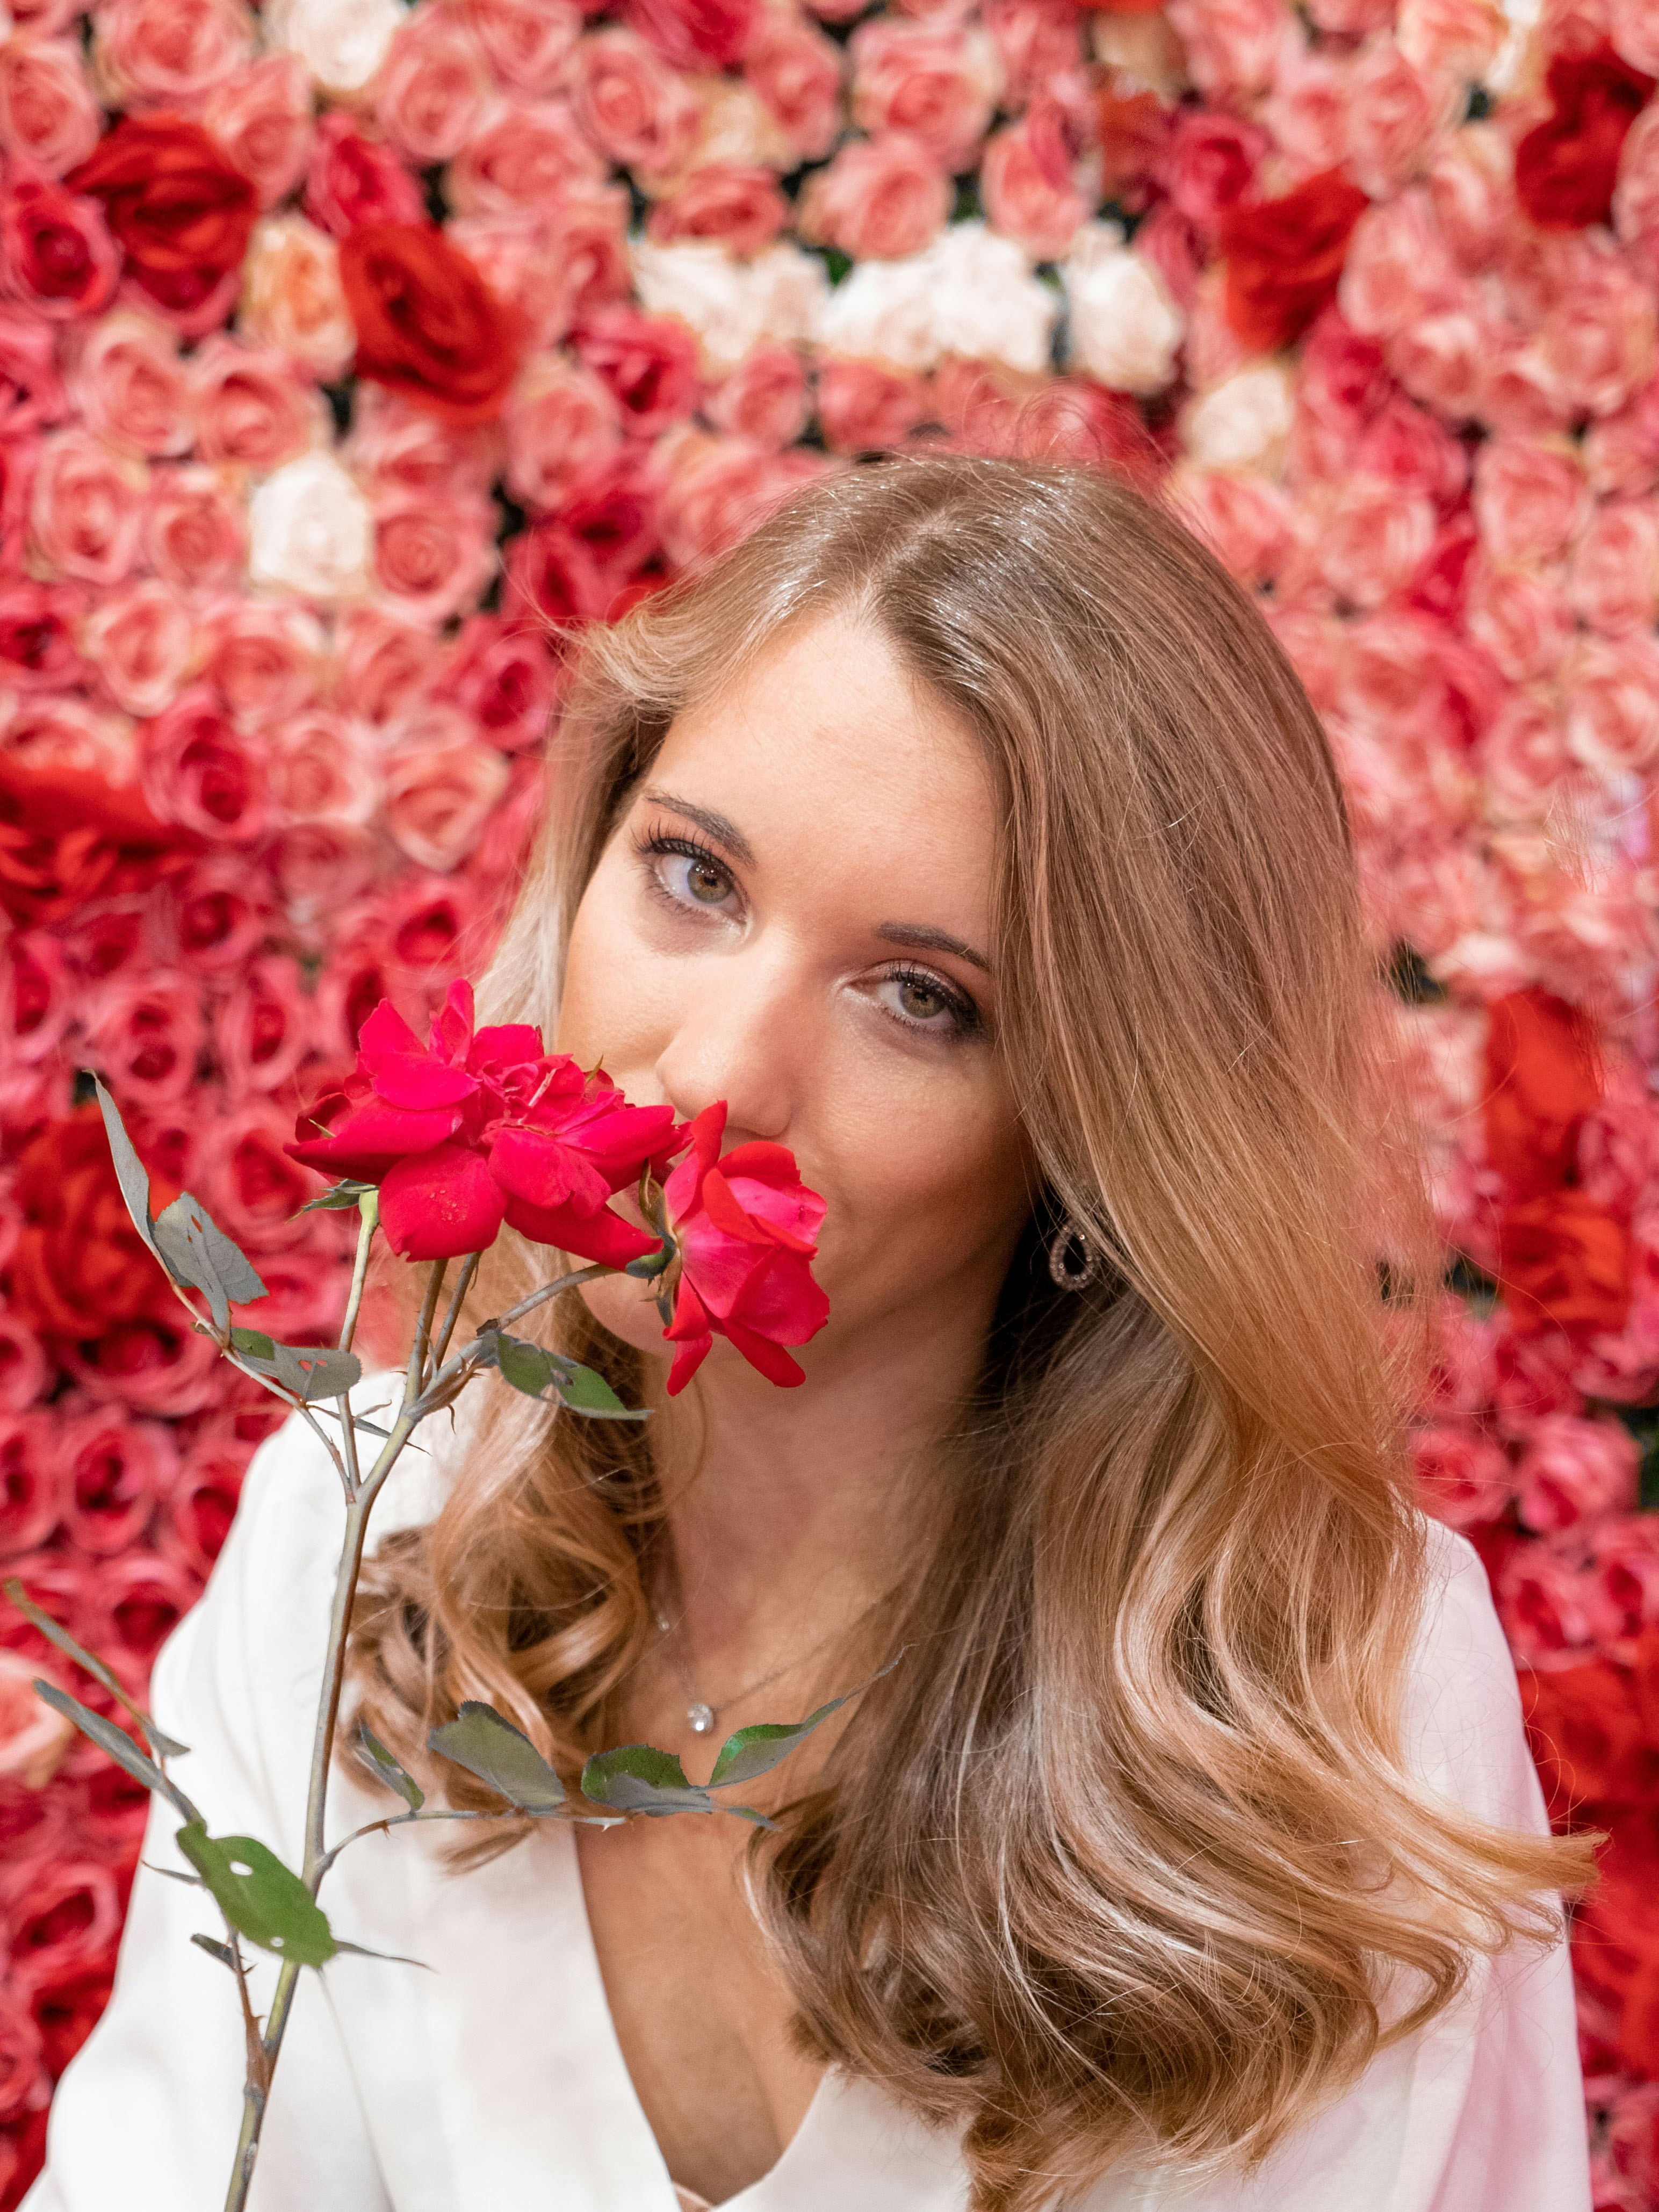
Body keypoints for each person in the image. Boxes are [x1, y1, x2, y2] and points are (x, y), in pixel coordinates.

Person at [30, 459, 1595, 2212]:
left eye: (923, 999)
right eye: (694, 877)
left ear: (1101, 1134)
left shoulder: (1331, 1703)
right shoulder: (359, 1533)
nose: (712, 1074)